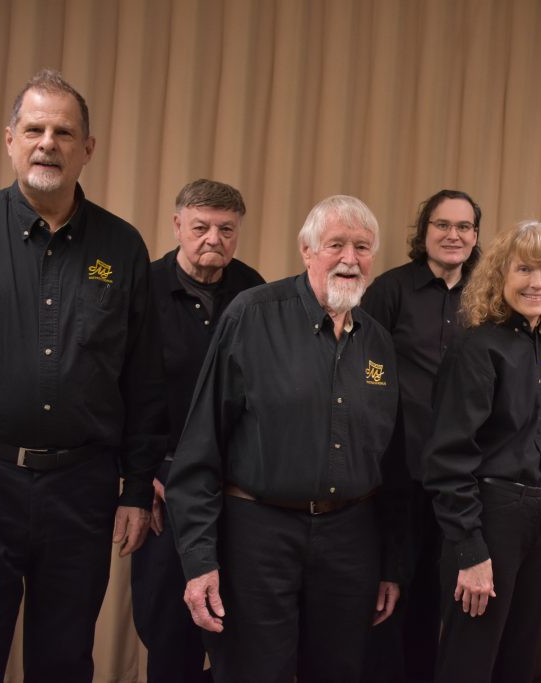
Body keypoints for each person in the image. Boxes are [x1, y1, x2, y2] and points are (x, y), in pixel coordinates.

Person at [0, 69, 164, 681]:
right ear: (9, 140)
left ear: (87, 148)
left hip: (80, 488)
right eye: (34, 129)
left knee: (64, 661)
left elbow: (143, 380)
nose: (48, 143)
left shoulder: (122, 247)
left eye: (64, 132)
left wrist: (134, 490)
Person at [165, 195, 401, 682]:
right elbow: (201, 447)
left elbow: (393, 461)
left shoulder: (378, 341)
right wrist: (200, 560)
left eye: (362, 247)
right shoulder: (251, 316)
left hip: (350, 541)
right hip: (257, 536)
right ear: (307, 250)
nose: (350, 259)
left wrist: (394, 564)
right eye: (336, 245)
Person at [422, 221, 541, 683]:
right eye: (524, 269)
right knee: (470, 661)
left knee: (519, 660)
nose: (537, 282)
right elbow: (447, 458)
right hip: (490, 519)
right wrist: (470, 550)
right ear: (499, 275)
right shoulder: (476, 347)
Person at [131, 179, 264, 683]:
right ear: (177, 225)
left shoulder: (254, 291)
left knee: (235, 625)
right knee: (168, 627)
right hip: (163, 480)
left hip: (234, 484)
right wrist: (141, 477)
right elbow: (119, 391)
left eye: (226, 229)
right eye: (201, 227)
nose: (214, 239)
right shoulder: (143, 287)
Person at [361, 189, 482, 682]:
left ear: (475, 235)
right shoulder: (390, 290)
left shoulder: (487, 294)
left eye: (464, 226)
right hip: (397, 472)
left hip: (462, 477)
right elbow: (363, 366)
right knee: (387, 597)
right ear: (424, 232)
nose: (453, 235)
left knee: (439, 601)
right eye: (442, 225)